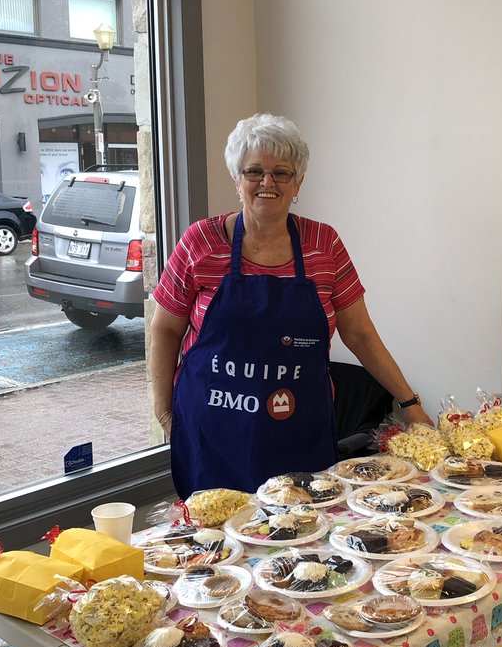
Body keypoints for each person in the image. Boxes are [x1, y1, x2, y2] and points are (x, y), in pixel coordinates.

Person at [150, 113, 432, 497]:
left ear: (298, 183)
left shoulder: (324, 244)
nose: (267, 182)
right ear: (237, 180)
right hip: (214, 432)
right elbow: (164, 328)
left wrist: (410, 403)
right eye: (254, 172)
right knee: (215, 544)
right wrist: (165, 412)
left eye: (281, 173)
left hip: (299, 430)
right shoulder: (201, 242)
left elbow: (361, 333)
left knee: (304, 541)